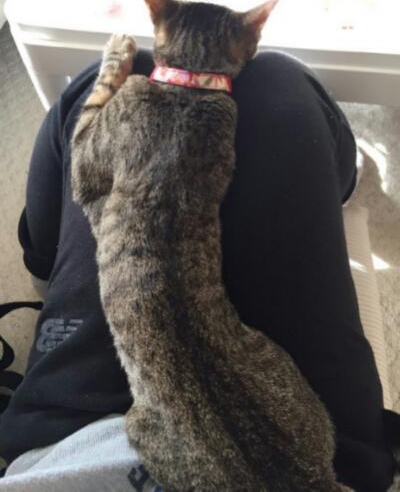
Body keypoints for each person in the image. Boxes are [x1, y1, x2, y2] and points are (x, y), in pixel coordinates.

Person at [0, 49, 396, 492]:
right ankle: (340, 176)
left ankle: (43, 259)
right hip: (308, 462)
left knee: (121, 84)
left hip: (71, 447)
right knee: (277, 85)